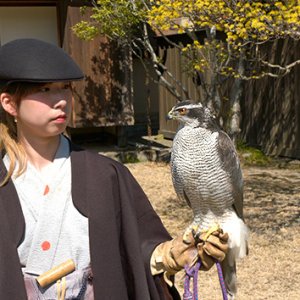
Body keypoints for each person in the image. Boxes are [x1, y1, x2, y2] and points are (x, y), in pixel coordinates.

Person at [0, 38, 229, 300]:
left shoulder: (106, 174)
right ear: (9, 103)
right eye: (44, 90)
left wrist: (172, 254)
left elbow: (138, 248)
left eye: (65, 88)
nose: (61, 100)